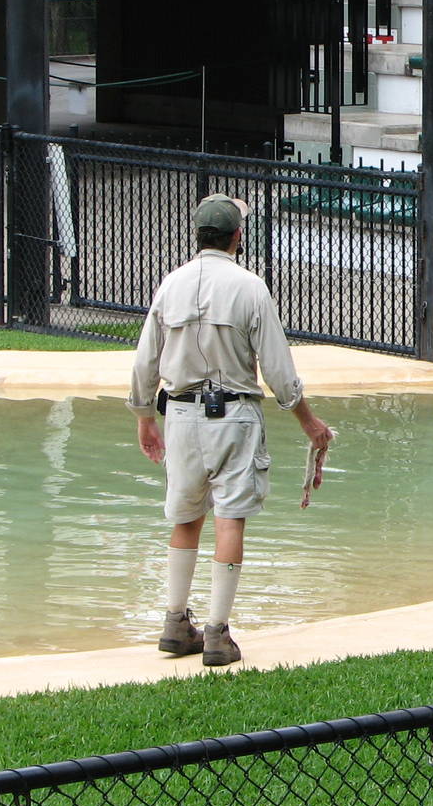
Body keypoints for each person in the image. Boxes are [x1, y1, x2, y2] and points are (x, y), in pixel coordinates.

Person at [128, 193, 333, 668]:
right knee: (229, 519)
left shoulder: (171, 286)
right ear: (238, 237)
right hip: (234, 417)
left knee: (185, 518)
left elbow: (144, 363)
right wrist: (308, 421)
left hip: (178, 417)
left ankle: (175, 623)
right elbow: (278, 370)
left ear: (197, 235)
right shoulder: (250, 287)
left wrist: (144, 419)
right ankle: (218, 632)